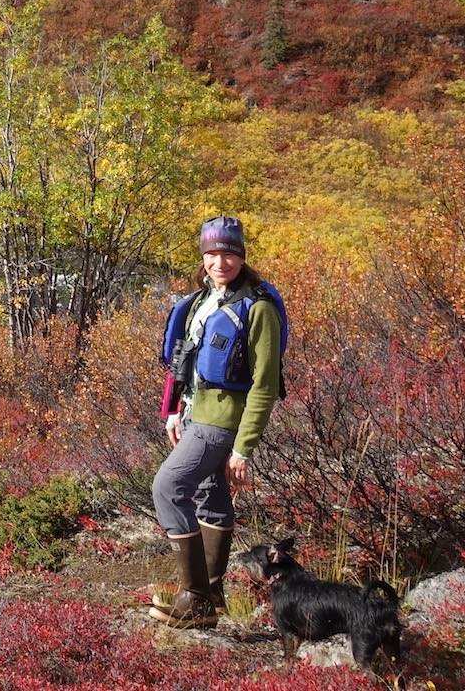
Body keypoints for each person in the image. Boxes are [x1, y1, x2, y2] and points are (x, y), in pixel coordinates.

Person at [150, 214, 286, 630]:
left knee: (168, 487)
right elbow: (183, 362)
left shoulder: (258, 308)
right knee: (210, 495)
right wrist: (173, 410)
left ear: (242, 257)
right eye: (212, 253)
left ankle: (195, 600)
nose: (220, 261)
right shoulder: (198, 302)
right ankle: (213, 596)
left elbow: (265, 383)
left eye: (229, 253)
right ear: (203, 257)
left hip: (223, 420)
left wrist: (244, 447)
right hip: (194, 413)